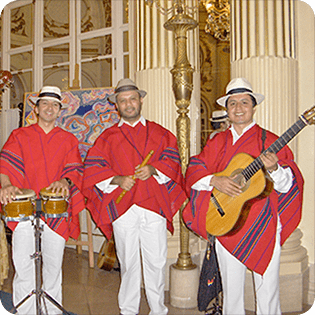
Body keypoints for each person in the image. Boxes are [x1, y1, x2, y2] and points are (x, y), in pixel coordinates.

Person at [183, 78, 304, 315]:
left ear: (253, 107)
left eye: (244, 102)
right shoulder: (217, 140)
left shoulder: (269, 141)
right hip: (227, 221)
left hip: (264, 223)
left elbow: (288, 184)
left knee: (268, 288)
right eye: (233, 103)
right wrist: (215, 180)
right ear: (227, 109)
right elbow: (195, 168)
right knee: (231, 290)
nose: (239, 108)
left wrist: (275, 170)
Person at [82, 78, 187, 315]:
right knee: (128, 263)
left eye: (132, 99)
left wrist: (154, 168)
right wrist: (118, 179)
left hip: (153, 205)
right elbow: (93, 168)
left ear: (140, 100)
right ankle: (128, 310)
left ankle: (158, 310)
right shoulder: (107, 137)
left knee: (156, 262)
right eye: (122, 101)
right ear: (116, 106)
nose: (128, 104)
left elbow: (173, 161)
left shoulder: (161, 133)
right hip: (123, 209)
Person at [0, 86, 85, 314]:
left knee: (53, 267)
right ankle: (25, 310)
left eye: (54, 105)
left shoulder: (68, 139)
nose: (49, 108)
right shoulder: (19, 135)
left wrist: (65, 182)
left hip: (55, 209)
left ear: (59, 112)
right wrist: (7, 185)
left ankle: (52, 311)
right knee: (24, 265)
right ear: (36, 109)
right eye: (44, 104)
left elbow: (75, 169)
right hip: (23, 208)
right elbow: (5, 164)